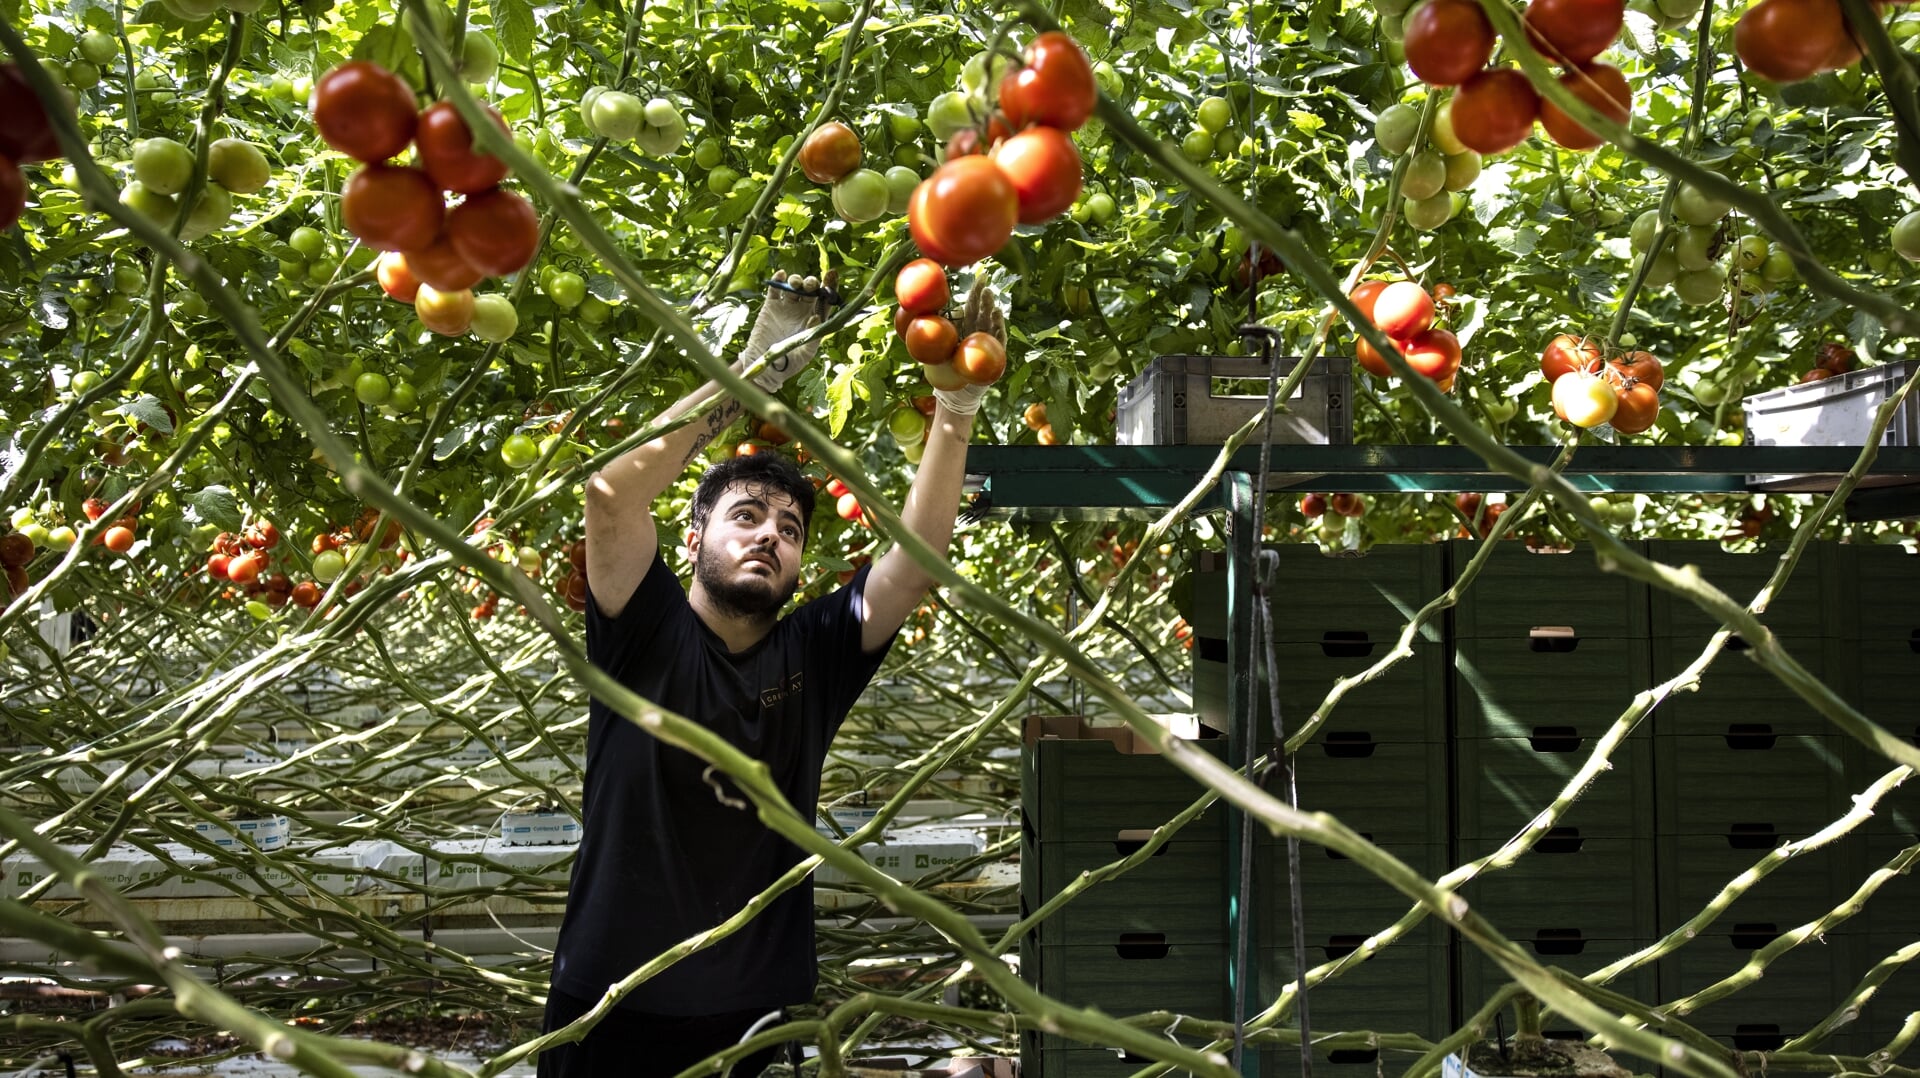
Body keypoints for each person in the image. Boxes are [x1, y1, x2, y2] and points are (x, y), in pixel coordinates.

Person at [537, 268, 1006, 1078]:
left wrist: (956, 412)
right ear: (692, 539)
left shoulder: (815, 653)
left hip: (751, 1014)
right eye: (745, 517)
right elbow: (610, 493)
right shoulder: (643, 632)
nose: (768, 536)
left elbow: (916, 562)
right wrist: (751, 372)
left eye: (788, 528)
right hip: (608, 1000)